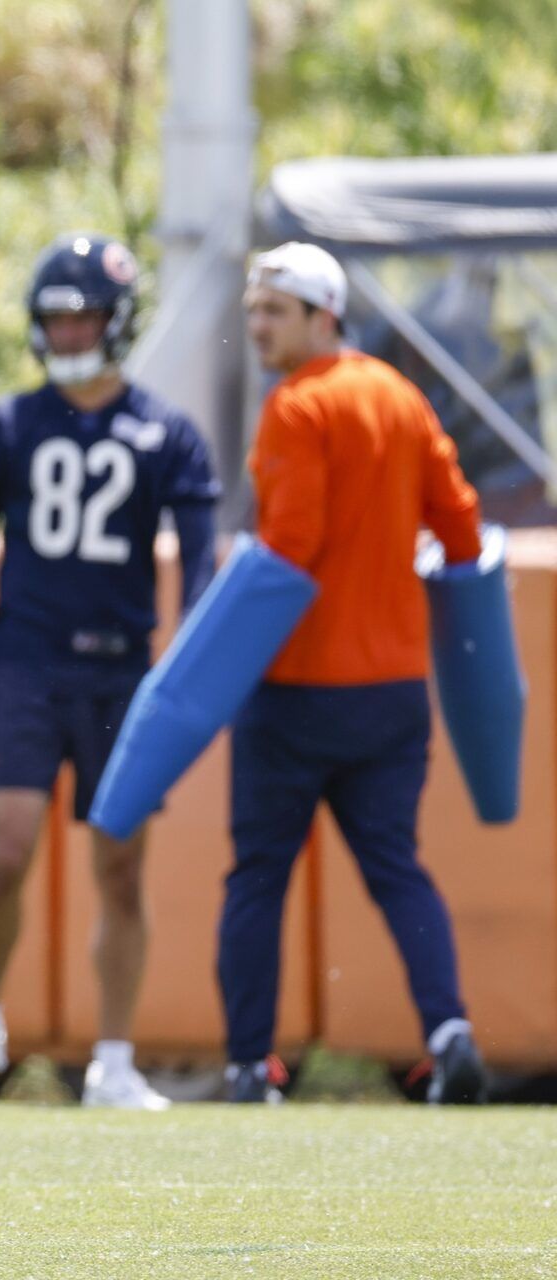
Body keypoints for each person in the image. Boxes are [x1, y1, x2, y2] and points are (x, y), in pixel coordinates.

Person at [0, 233, 219, 1109]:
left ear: (118, 321)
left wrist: (190, 652)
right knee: (8, 851)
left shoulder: (166, 432)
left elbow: (199, 560)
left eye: (83, 314)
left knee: (121, 868)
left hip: (122, 674)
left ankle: (115, 1060)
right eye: (54, 317)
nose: (67, 330)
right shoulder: (8, 426)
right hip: (26, 663)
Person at [222, 242, 487, 1105]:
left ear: (322, 315)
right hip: (394, 688)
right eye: (254, 309)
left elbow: (289, 550)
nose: (258, 325)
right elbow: (462, 529)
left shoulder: (297, 406)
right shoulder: (400, 396)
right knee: (396, 867)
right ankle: (449, 1031)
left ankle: (250, 1062)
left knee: (259, 873)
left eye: (275, 311)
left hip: (299, 686)